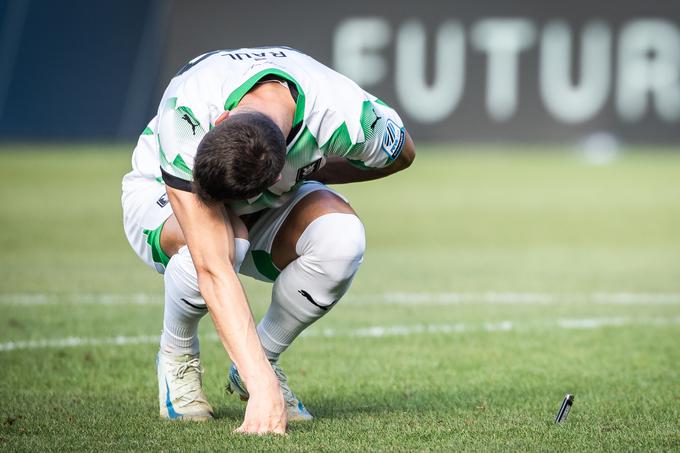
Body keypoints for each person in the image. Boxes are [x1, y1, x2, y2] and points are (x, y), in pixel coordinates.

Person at [121, 46, 415, 434]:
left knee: (342, 239)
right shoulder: (186, 117)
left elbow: (403, 154)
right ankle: (177, 355)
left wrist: (316, 171)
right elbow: (213, 265)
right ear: (220, 119)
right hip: (161, 199)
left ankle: (264, 358)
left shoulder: (345, 115)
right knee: (226, 242)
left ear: (284, 164)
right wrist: (265, 390)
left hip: (271, 196)